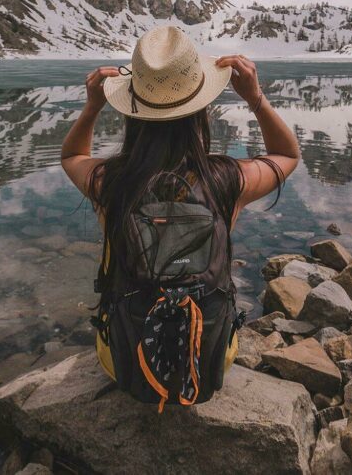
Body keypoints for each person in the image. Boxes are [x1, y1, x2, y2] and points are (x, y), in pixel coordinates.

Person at [60, 26, 299, 410]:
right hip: (210, 359)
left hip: (123, 362)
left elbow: (71, 157)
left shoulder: (111, 183)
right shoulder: (226, 179)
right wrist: (256, 100)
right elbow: (287, 155)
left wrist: (91, 108)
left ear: (132, 112)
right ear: (199, 113)